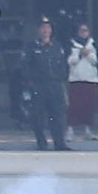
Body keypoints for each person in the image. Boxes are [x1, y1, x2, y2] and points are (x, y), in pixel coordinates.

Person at [24, 17, 70, 150]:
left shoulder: (56, 46)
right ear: (39, 30)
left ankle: (59, 143)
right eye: (43, 28)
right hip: (39, 85)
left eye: (48, 28)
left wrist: (63, 80)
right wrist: (31, 83)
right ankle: (41, 142)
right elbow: (26, 66)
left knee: (57, 115)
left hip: (55, 85)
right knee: (38, 115)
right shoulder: (32, 47)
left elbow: (63, 65)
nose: (46, 31)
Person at [65, 22, 98, 142]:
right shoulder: (72, 45)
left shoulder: (93, 44)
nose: (83, 33)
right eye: (81, 30)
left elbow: (95, 61)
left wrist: (88, 54)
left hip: (90, 79)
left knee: (89, 106)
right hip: (76, 79)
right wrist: (80, 54)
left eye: (85, 30)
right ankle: (70, 130)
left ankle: (88, 130)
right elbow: (70, 61)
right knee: (74, 106)